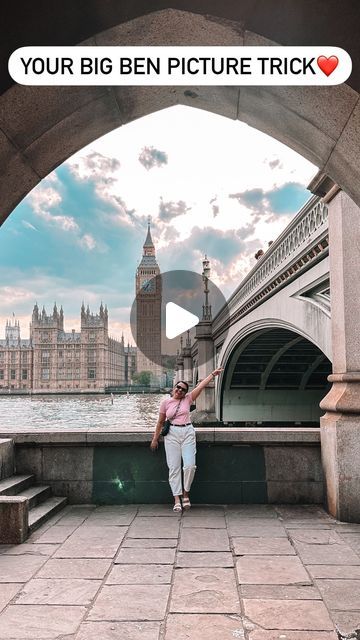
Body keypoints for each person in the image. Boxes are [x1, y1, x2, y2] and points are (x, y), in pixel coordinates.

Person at [150, 368, 223, 512]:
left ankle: (186, 494)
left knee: (190, 466)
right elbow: (160, 422)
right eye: (178, 387)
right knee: (174, 467)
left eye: (183, 389)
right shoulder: (165, 403)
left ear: (185, 392)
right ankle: (176, 498)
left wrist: (212, 375)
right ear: (174, 388)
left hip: (188, 432)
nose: (180, 390)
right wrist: (155, 439)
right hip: (172, 434)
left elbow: (200, 386)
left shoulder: (188, 399)